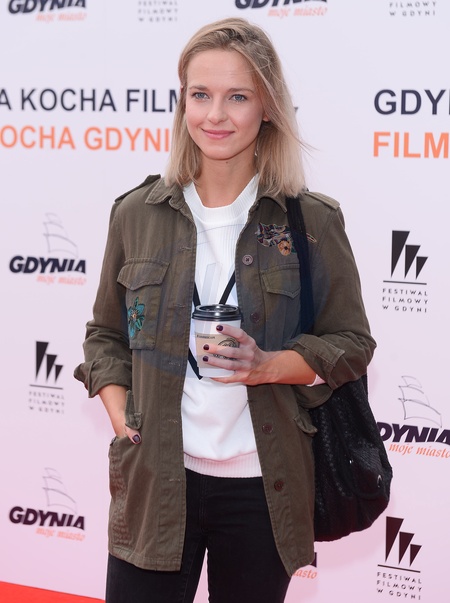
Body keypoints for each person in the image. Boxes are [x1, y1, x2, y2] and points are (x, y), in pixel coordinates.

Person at [74, 17, 376, 603]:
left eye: (238, 96)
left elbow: (352, 343)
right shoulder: (136, 213)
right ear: (182, 102)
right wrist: (119, 412)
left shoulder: (310, 221)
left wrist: (270, 365)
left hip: (263, 487)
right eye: (200, 95)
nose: (215, 115)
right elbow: (105, 335)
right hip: (156, 482)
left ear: (268, 108)